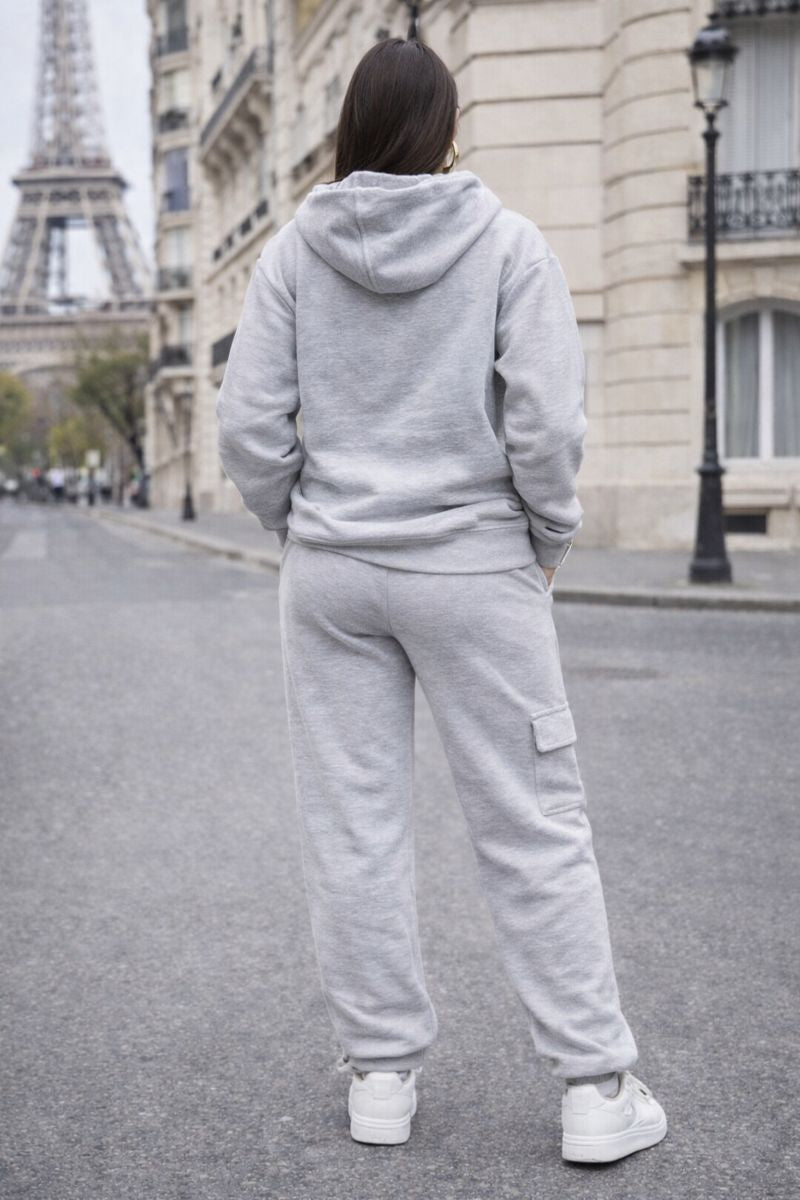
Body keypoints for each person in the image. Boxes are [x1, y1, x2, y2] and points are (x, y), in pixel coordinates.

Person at [216, 33, 667, 1165]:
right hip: (473, 566)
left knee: (353, 825)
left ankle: (379, 1076)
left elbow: (247, 428)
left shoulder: (288, 256)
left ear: (348, 131)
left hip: (331, 569)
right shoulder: (508, 244)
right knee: (532, 825)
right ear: (446, 126)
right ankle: (591, 1087)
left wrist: (297, 523)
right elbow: (546, 424)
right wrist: (545, 539)